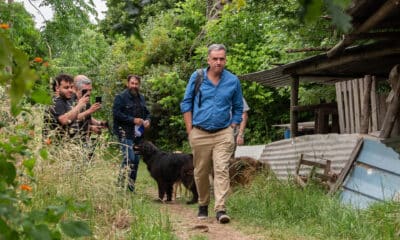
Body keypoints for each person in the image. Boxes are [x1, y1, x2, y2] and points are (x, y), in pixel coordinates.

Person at [180, 43, 243, 224]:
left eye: (221, 59)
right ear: (208, 59)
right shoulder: (197, 77)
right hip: (199, 132)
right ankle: (203, 204)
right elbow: (186, 103)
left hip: (224, 132)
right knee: (200, 172)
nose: (218, 62)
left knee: (221, 169)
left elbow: (238, 107)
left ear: (225, 60)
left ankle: (221, 208)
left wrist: (233, 126)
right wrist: (189, 130)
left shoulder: (233, 81)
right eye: (215, 59)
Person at [113, 74, 151, 192]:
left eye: (136, 84)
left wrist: (148, 121)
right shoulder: (120, 97)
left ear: (139, 85)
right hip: (125, 132)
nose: (134, 86)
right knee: (129, 158)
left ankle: (130, 188)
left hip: (138, 135)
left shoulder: (142, 98)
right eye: (132, 83)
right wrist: (133, 120)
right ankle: (120, 186)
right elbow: (116, 114)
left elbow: (148, 113)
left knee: (136, 160)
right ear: (127, 83)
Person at [43, 73, 89, 141]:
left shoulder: (65, 101)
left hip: (64, 144)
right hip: (54, 146)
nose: (70, 90)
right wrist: (80, 105)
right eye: (66, 87)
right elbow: (64, 120)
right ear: (57, 88)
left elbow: (73, 119)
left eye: (71, 87)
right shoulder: (56, 101)